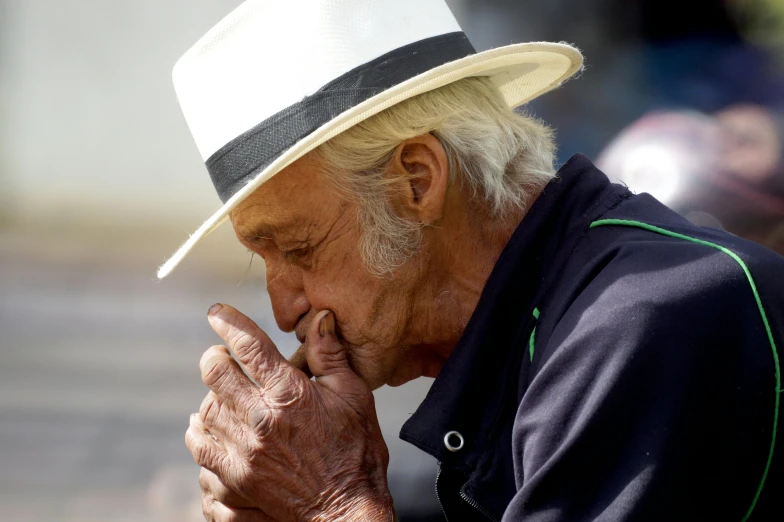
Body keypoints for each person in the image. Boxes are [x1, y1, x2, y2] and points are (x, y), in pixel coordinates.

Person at [158, 0, 784, 520]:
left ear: (417, 180)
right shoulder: (560, 316)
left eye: (299, 248)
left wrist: (331, 502)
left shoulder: (643, 319)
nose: (285, 307)